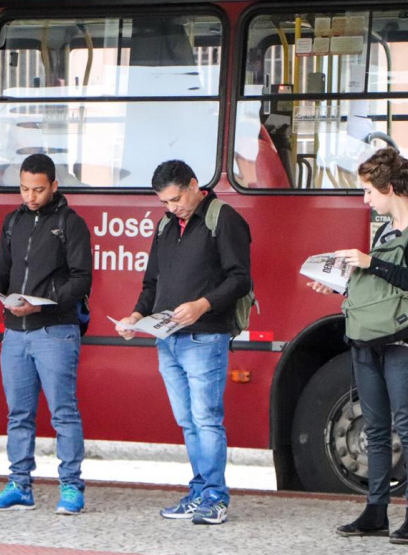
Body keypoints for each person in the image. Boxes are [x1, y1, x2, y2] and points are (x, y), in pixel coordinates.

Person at [307, 147, 408, 544]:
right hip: (367, 339)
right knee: (376, 427)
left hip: (405, 342)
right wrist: (338, 284)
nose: (365, 199)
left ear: (389, 188)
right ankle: (375, 511)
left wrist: (370, 262)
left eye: (368, 191)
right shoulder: (384, 230)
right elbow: (379, 288)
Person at [114, 160, 251, 525]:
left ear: (194, 185)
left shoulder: (223, 219)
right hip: (167, 339)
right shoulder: (165, 226)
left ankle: (215, 498)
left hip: (205, 337)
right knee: (188, 422)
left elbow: (240, 279)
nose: (172, 208)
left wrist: (202, 305)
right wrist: (136, 316)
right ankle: (199, 492)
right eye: (164, 202)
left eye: (176, 199)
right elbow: (151, 283)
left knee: (206, 420)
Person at [0, 153, 92, 515]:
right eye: (24, 189)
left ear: (54, 186)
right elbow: (3, 269)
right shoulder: (13, 221)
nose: (30, 196)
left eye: (38, 189)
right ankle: (19, 486)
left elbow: (82, 280)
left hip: (55, 331)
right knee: (18, 414)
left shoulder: (71, 224)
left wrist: (40, 305)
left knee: (63, 413)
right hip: (15, 333)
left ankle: (71, 487)